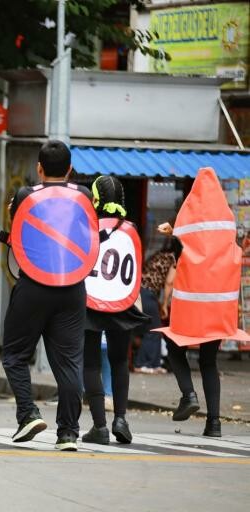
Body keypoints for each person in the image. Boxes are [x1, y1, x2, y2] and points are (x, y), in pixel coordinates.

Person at [1, 140, 95, 451]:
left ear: (39, 168)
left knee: (14, 354)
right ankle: (68, 433)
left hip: (34, 285)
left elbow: (17, 233)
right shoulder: (83, 195)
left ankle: (28, 413)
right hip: (71, 287)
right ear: (69, 169)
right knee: (69, 363)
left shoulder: (26, 195)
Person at [153, 167, 250, 437]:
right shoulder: (227, 223)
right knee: (209, 361)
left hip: (192, 306)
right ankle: (215, 424)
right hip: (219, 306)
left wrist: (171, 230)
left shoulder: (188, 223)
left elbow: (186, 238)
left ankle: (189, 395)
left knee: (174, 347)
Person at [80, 176, 148, 445]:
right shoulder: (131, 228)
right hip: (123, 302)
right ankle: (121, 418)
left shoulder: (87, 227)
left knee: (91, 364)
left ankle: (99, 426)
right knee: (120, 361)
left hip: (90, 302)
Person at [132, 236, 180, 373]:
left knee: (151, 328)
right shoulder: (174, 258)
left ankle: (152, 364)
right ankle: (142, 364)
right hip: (146, 292)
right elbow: (170, 282)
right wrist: (165, 304)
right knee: (154, 329)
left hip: (138, 291)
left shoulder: (160, 254)